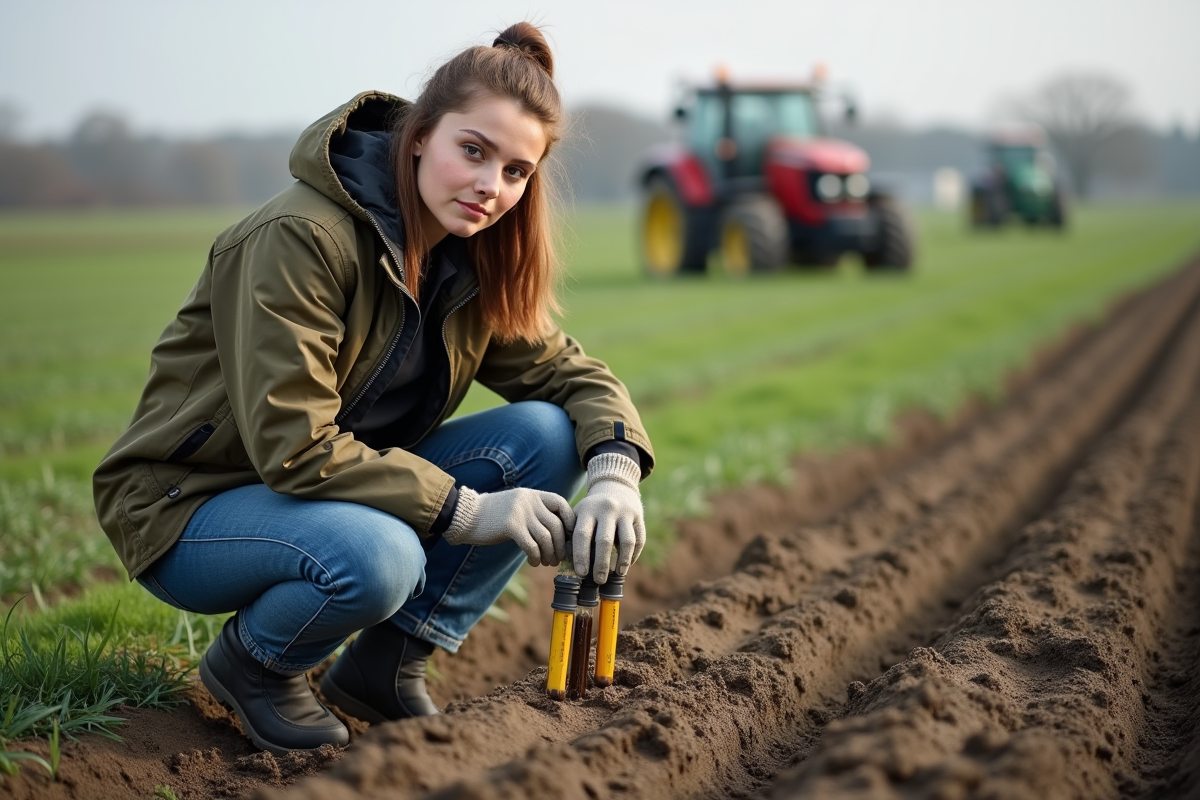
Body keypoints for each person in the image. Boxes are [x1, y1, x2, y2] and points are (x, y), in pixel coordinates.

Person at [91, 22, 653, 755]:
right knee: (385, 556)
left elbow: (569, 374)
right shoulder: (300, 238)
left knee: (547, 434)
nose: (491, 186)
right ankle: (254, 666)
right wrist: (467, 510)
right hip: (187, 505)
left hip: (328, 495)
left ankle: (384, 667)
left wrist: (616, 475)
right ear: (420, 134)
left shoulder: (467, 258)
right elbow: (293, 448)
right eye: (474, 151)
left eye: (517, 171)